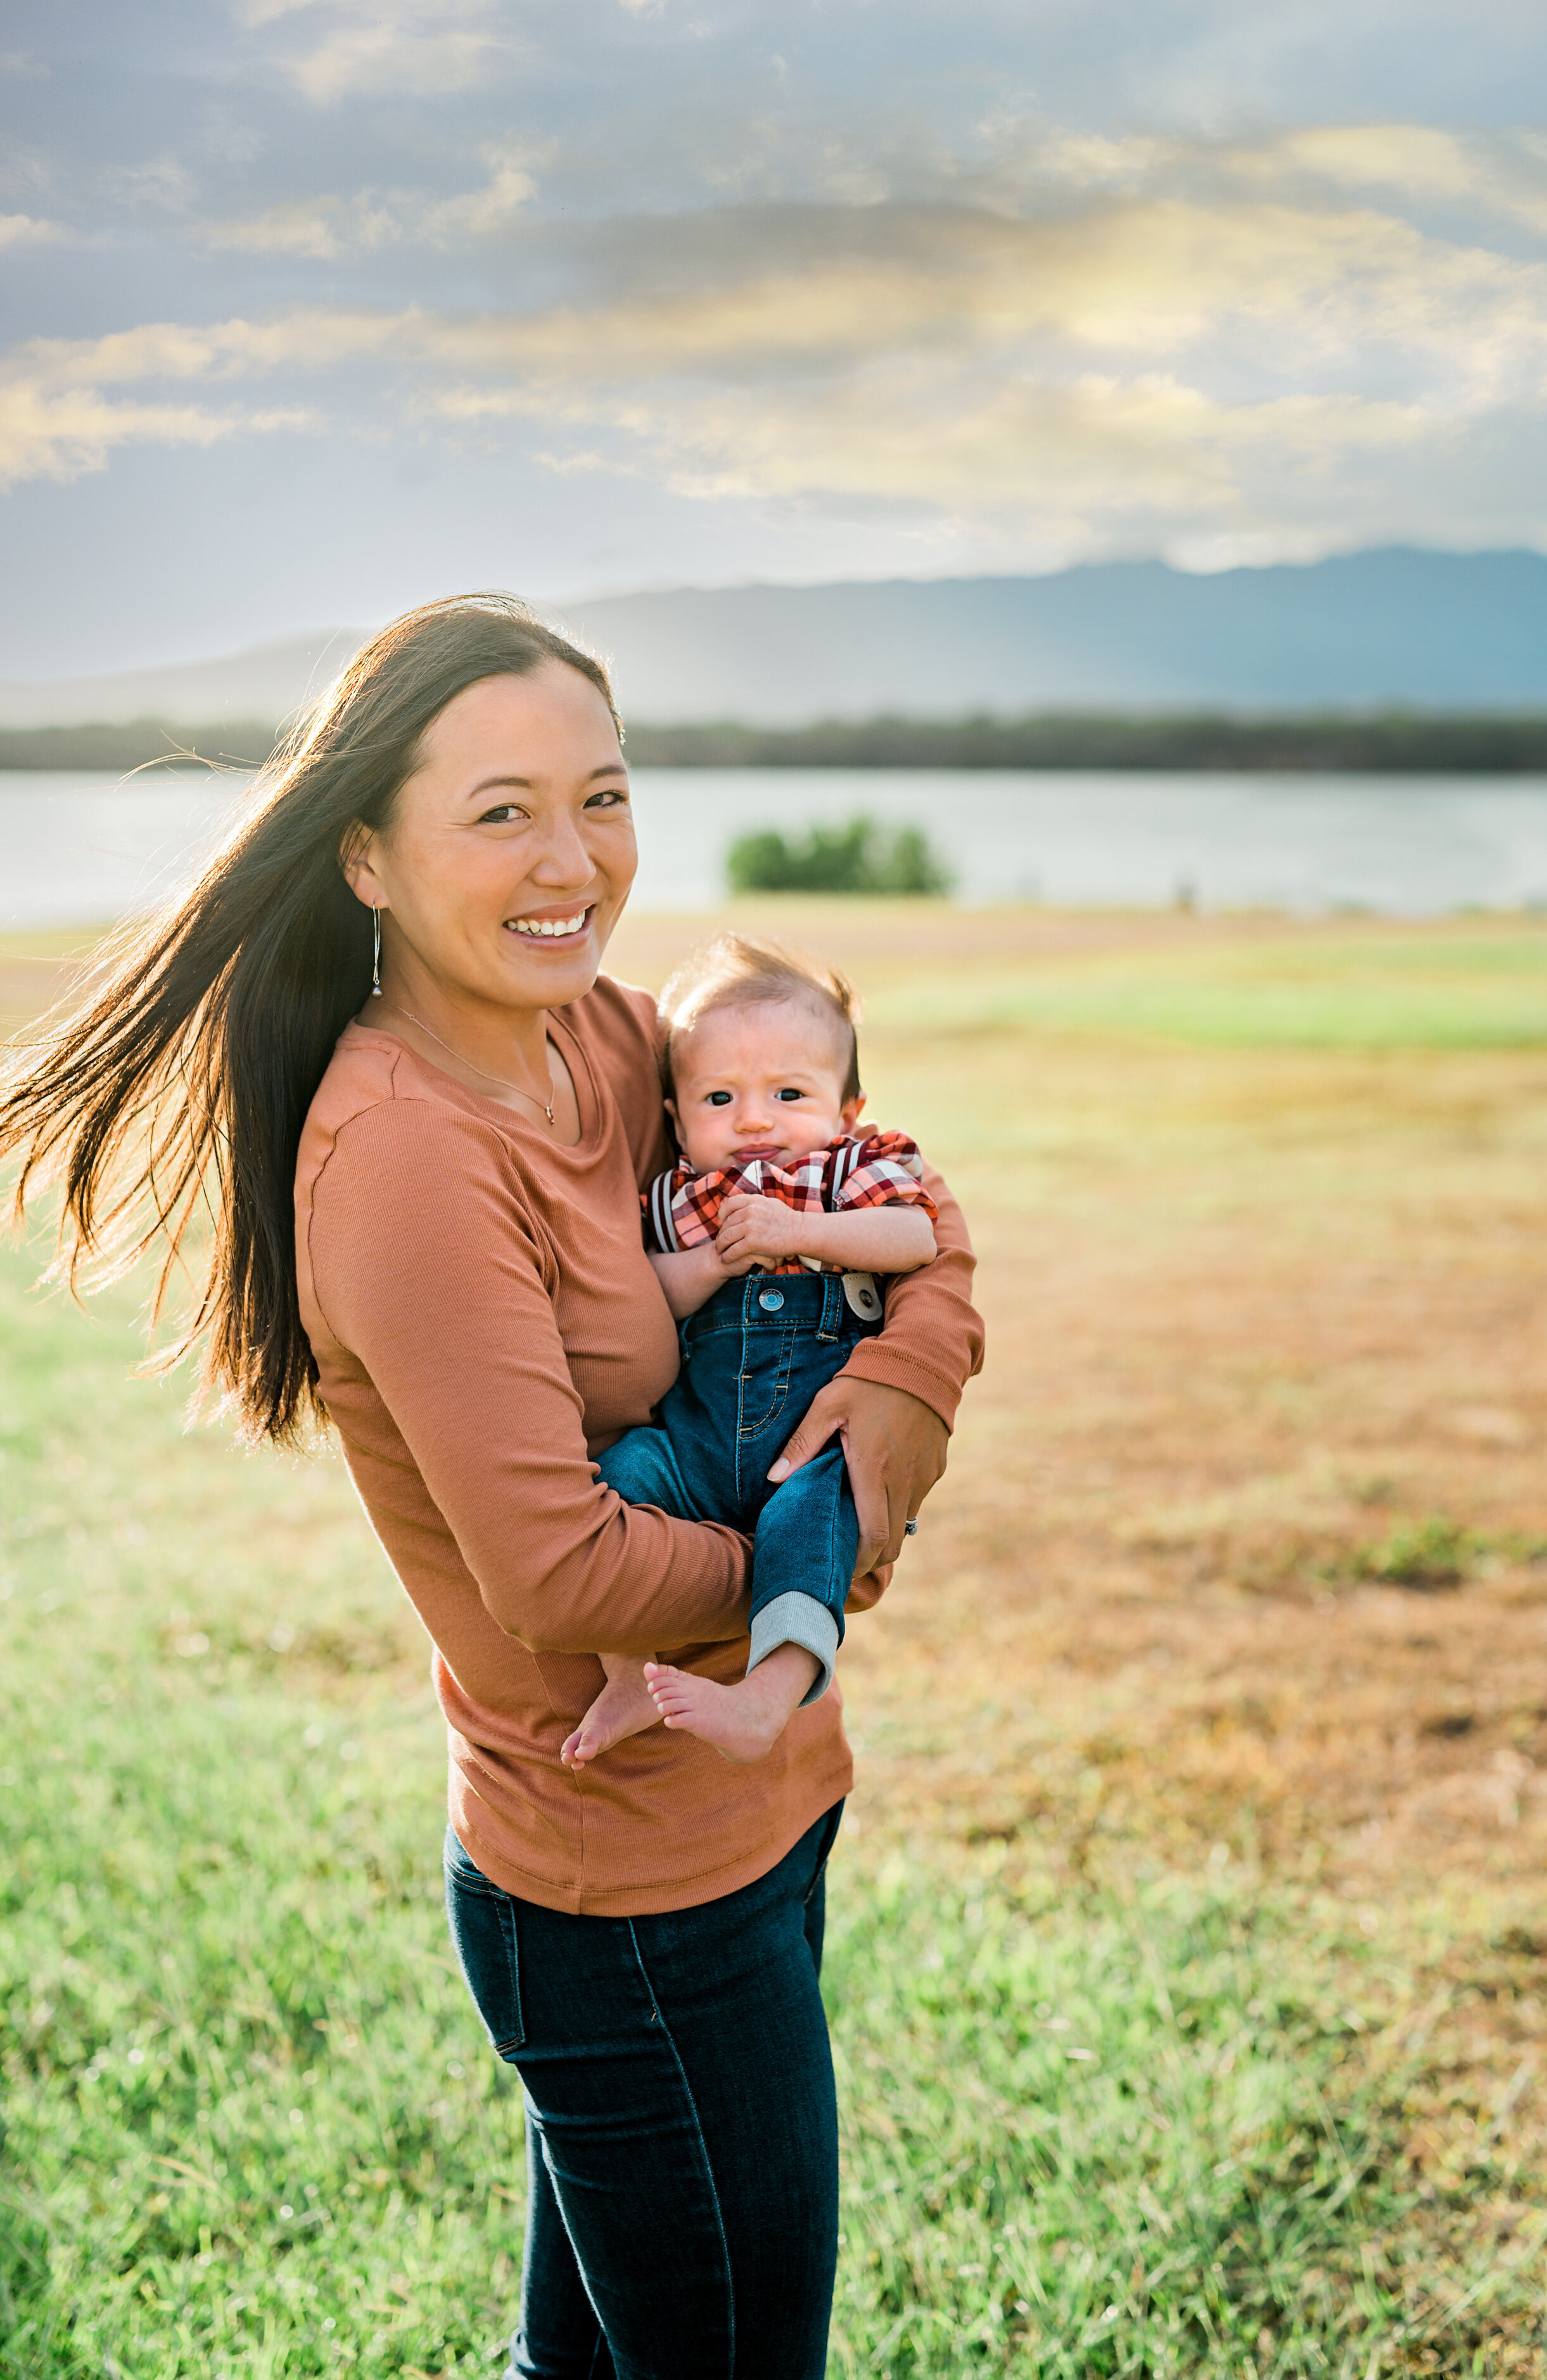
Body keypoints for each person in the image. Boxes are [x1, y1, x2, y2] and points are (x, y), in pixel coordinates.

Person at [0, 594, 983, 2380]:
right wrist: (807, 1558)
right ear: (365, 855)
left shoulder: (615, 1040)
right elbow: (554, 1571)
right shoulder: (399, 1157)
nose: (573, 857)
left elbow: (920, 1244)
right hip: (620, 1881)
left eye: (601, 795)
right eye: (502, 809)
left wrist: (877, 1437)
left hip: (760, 1796)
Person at [563, 934, 944, 1771]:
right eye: (720, 1096)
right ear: (675, 1119)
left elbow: (915, 1235)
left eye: (789, 1092)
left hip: (808, 1447)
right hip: (696, 1447)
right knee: (626, 1473)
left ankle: (766, 1699)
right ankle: (628, 1672)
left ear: (848, 1110)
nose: (756, 1120)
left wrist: (802, 1232)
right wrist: (711, 1262)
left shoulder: (852, 1168)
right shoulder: (676, 1200)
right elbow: (646, 1298)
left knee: (817, 1517)